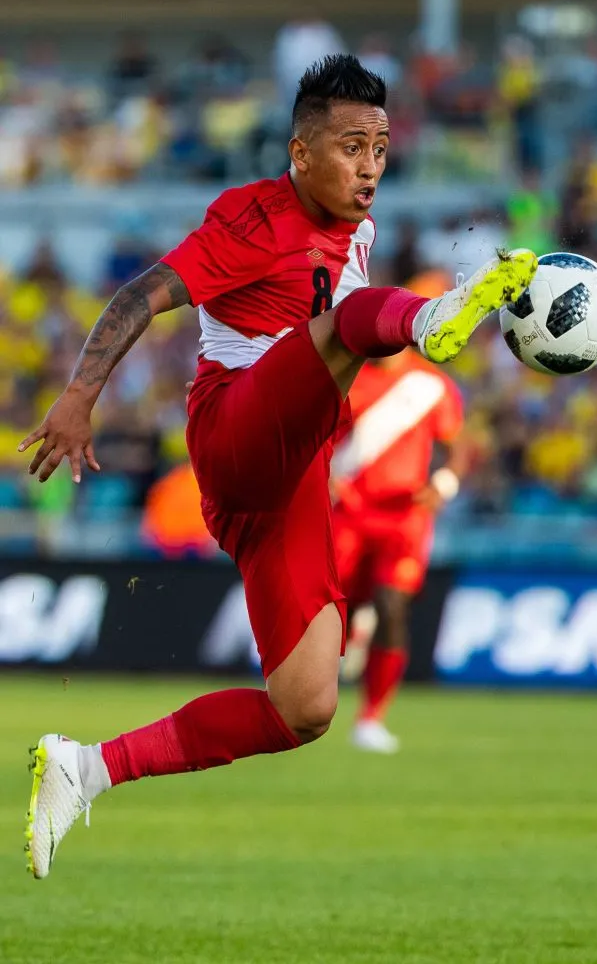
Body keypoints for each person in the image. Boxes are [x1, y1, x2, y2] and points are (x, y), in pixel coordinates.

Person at [20, 54, 538, 879]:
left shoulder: (356, 229)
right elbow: (140, 294)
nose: (368, 166)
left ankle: (87, 768)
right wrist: (79, 396)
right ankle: (433, 318)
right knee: (345, 325)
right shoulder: (249, 218)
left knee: (305, 708)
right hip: (233, 428)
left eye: (379, 147)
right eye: (349, 148)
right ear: (300, 153)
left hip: (292, 480)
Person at [332, 347, 464, 753]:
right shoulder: (342, 377)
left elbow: (457, 448)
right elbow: (315, 439)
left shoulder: (429, 385)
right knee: (335, 607)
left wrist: (443, 484)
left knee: (393, 607)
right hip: (346, 514)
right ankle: (351, 637)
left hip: (404, 518)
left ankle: (371, 718)